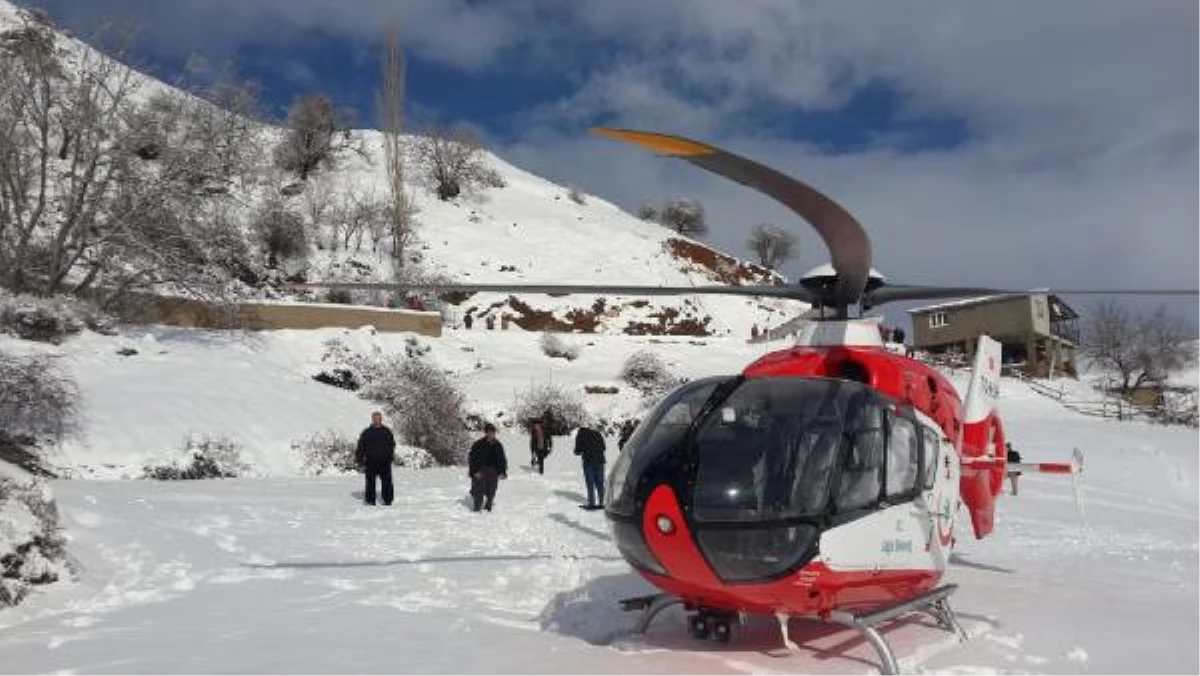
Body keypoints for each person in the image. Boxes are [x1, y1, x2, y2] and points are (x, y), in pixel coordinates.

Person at [356, 411, 396, 506]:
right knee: (370, 483)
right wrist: (360, 460)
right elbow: (361, 446)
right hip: (370, 462)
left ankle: (388, 500)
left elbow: (392, 445)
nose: (376, 420)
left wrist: (389, 457)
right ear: (372, 419)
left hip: (384, 462)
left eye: (378, 418)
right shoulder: (366, 432)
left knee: (387, 482)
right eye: (374, 418)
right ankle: (370, 501)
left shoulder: (387, 431)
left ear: (381, 419)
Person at [468, 423, 508, 512]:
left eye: (493, 432)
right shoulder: (478, 444)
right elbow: (472, 459)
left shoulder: (498, 445)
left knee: (491, 492)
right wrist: (474, 472)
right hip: (480, 470)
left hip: (493, 471)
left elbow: (502, 460)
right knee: (479, 491)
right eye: (489, 432)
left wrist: (503, 472)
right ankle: (476, 511)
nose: (492, 434)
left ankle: (488, 509)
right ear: (486, 433)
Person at [574, 426, 607, 509]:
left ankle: (592, 503)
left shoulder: (580, 435)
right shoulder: (597, 433)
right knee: (600, 482)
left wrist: (579, 451)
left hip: (588, 461)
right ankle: (602, 502)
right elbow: (604, 447)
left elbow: (577, 450)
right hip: (600, 461)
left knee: (590, 483)